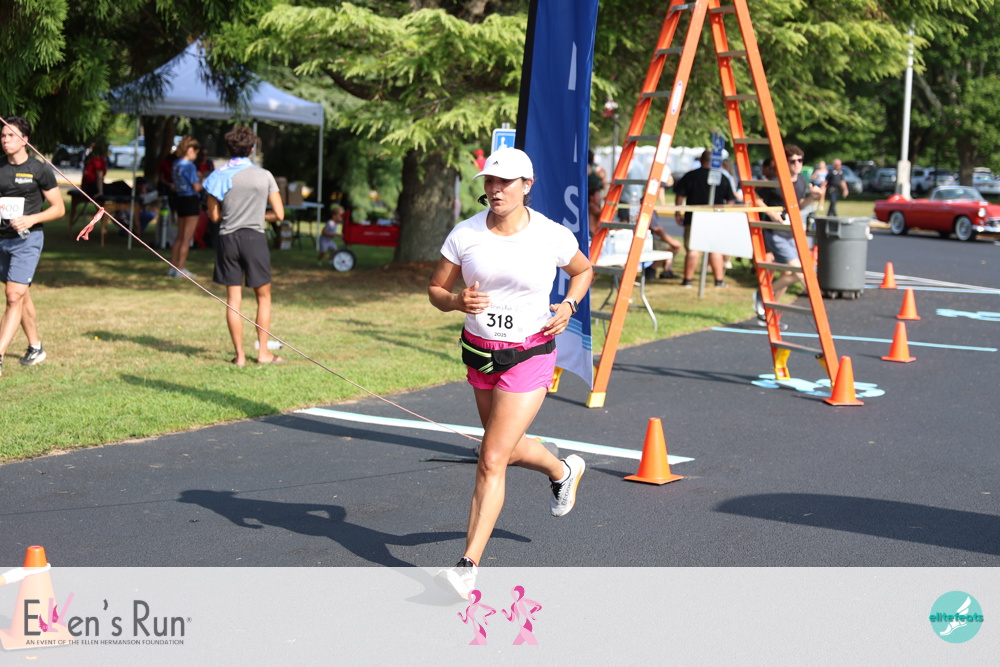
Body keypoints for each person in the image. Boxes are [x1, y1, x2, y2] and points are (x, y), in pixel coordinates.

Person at [428, 147, 592, 599]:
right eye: (490, 181)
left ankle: (467, 567)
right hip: (479, 354)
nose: (496, 190)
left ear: (527, 185)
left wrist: (569, 304)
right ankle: (562, 470)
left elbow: (583, 271)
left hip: (530, 355)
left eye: (505, 182)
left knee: (491, 457)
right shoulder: (465, 234)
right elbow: (436, 289)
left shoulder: (550, 234)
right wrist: (456, 301)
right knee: (504, 447)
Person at [204, 126, 286, 367]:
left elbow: (214, 216)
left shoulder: (218, 175)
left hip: (228, 239)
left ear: (229, 149)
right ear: (252, 149)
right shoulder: (264, 175)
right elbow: (279, 214)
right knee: (263, 297)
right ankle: (263, 353)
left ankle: (239, 356)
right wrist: (258, 216)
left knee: (233, 300)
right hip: (254, 239)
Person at [0, 116, 65, 378]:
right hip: (1, 240)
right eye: (3, 135)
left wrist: (31, 219)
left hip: (27, 240)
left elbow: (59, 209)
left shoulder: (39, 170)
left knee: (13, 295)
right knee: (21, 294)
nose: (5, 140)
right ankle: (35, 347)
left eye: (11, 135)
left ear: (25, 140)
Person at [753, 146, 820, 326]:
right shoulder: (775, 181)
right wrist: (771, 212)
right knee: (801, 272)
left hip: (791, 232)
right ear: (785, 163)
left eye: (800, 160)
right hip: (775, 232)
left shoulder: (801, 181)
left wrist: (812, 197)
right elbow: (754, 196)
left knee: (788, 274)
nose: (797, 164)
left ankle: (769, 311)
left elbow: (798, 206)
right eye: (793, 161)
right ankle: (761, 296)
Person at [673, 150, 736, 287]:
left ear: (701, 160)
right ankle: (719, 281)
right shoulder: (721, 177)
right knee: (715, 250)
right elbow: (730, 200)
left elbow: (679, 196)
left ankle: (688, 281)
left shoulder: (691, 176)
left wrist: (678, 213)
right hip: (715, 219)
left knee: (693, 250)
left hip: (693, 218)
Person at [168, 136, 203, 278]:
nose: (196, 156)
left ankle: (172, 267)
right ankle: (181, 268)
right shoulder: (190, 166)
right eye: (196, 153)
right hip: (190, 200)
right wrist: (204, 181)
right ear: (190, 150)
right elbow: (196, 187)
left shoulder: (176, 164)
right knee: (187, 238)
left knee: (180, 235)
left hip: (179, 199)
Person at [69, 142, 107, 229]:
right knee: (121, 186)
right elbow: (99, 177)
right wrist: (100, 192)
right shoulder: (98, 161)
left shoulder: (89, 159)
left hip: (86, 187)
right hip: (93, 187)